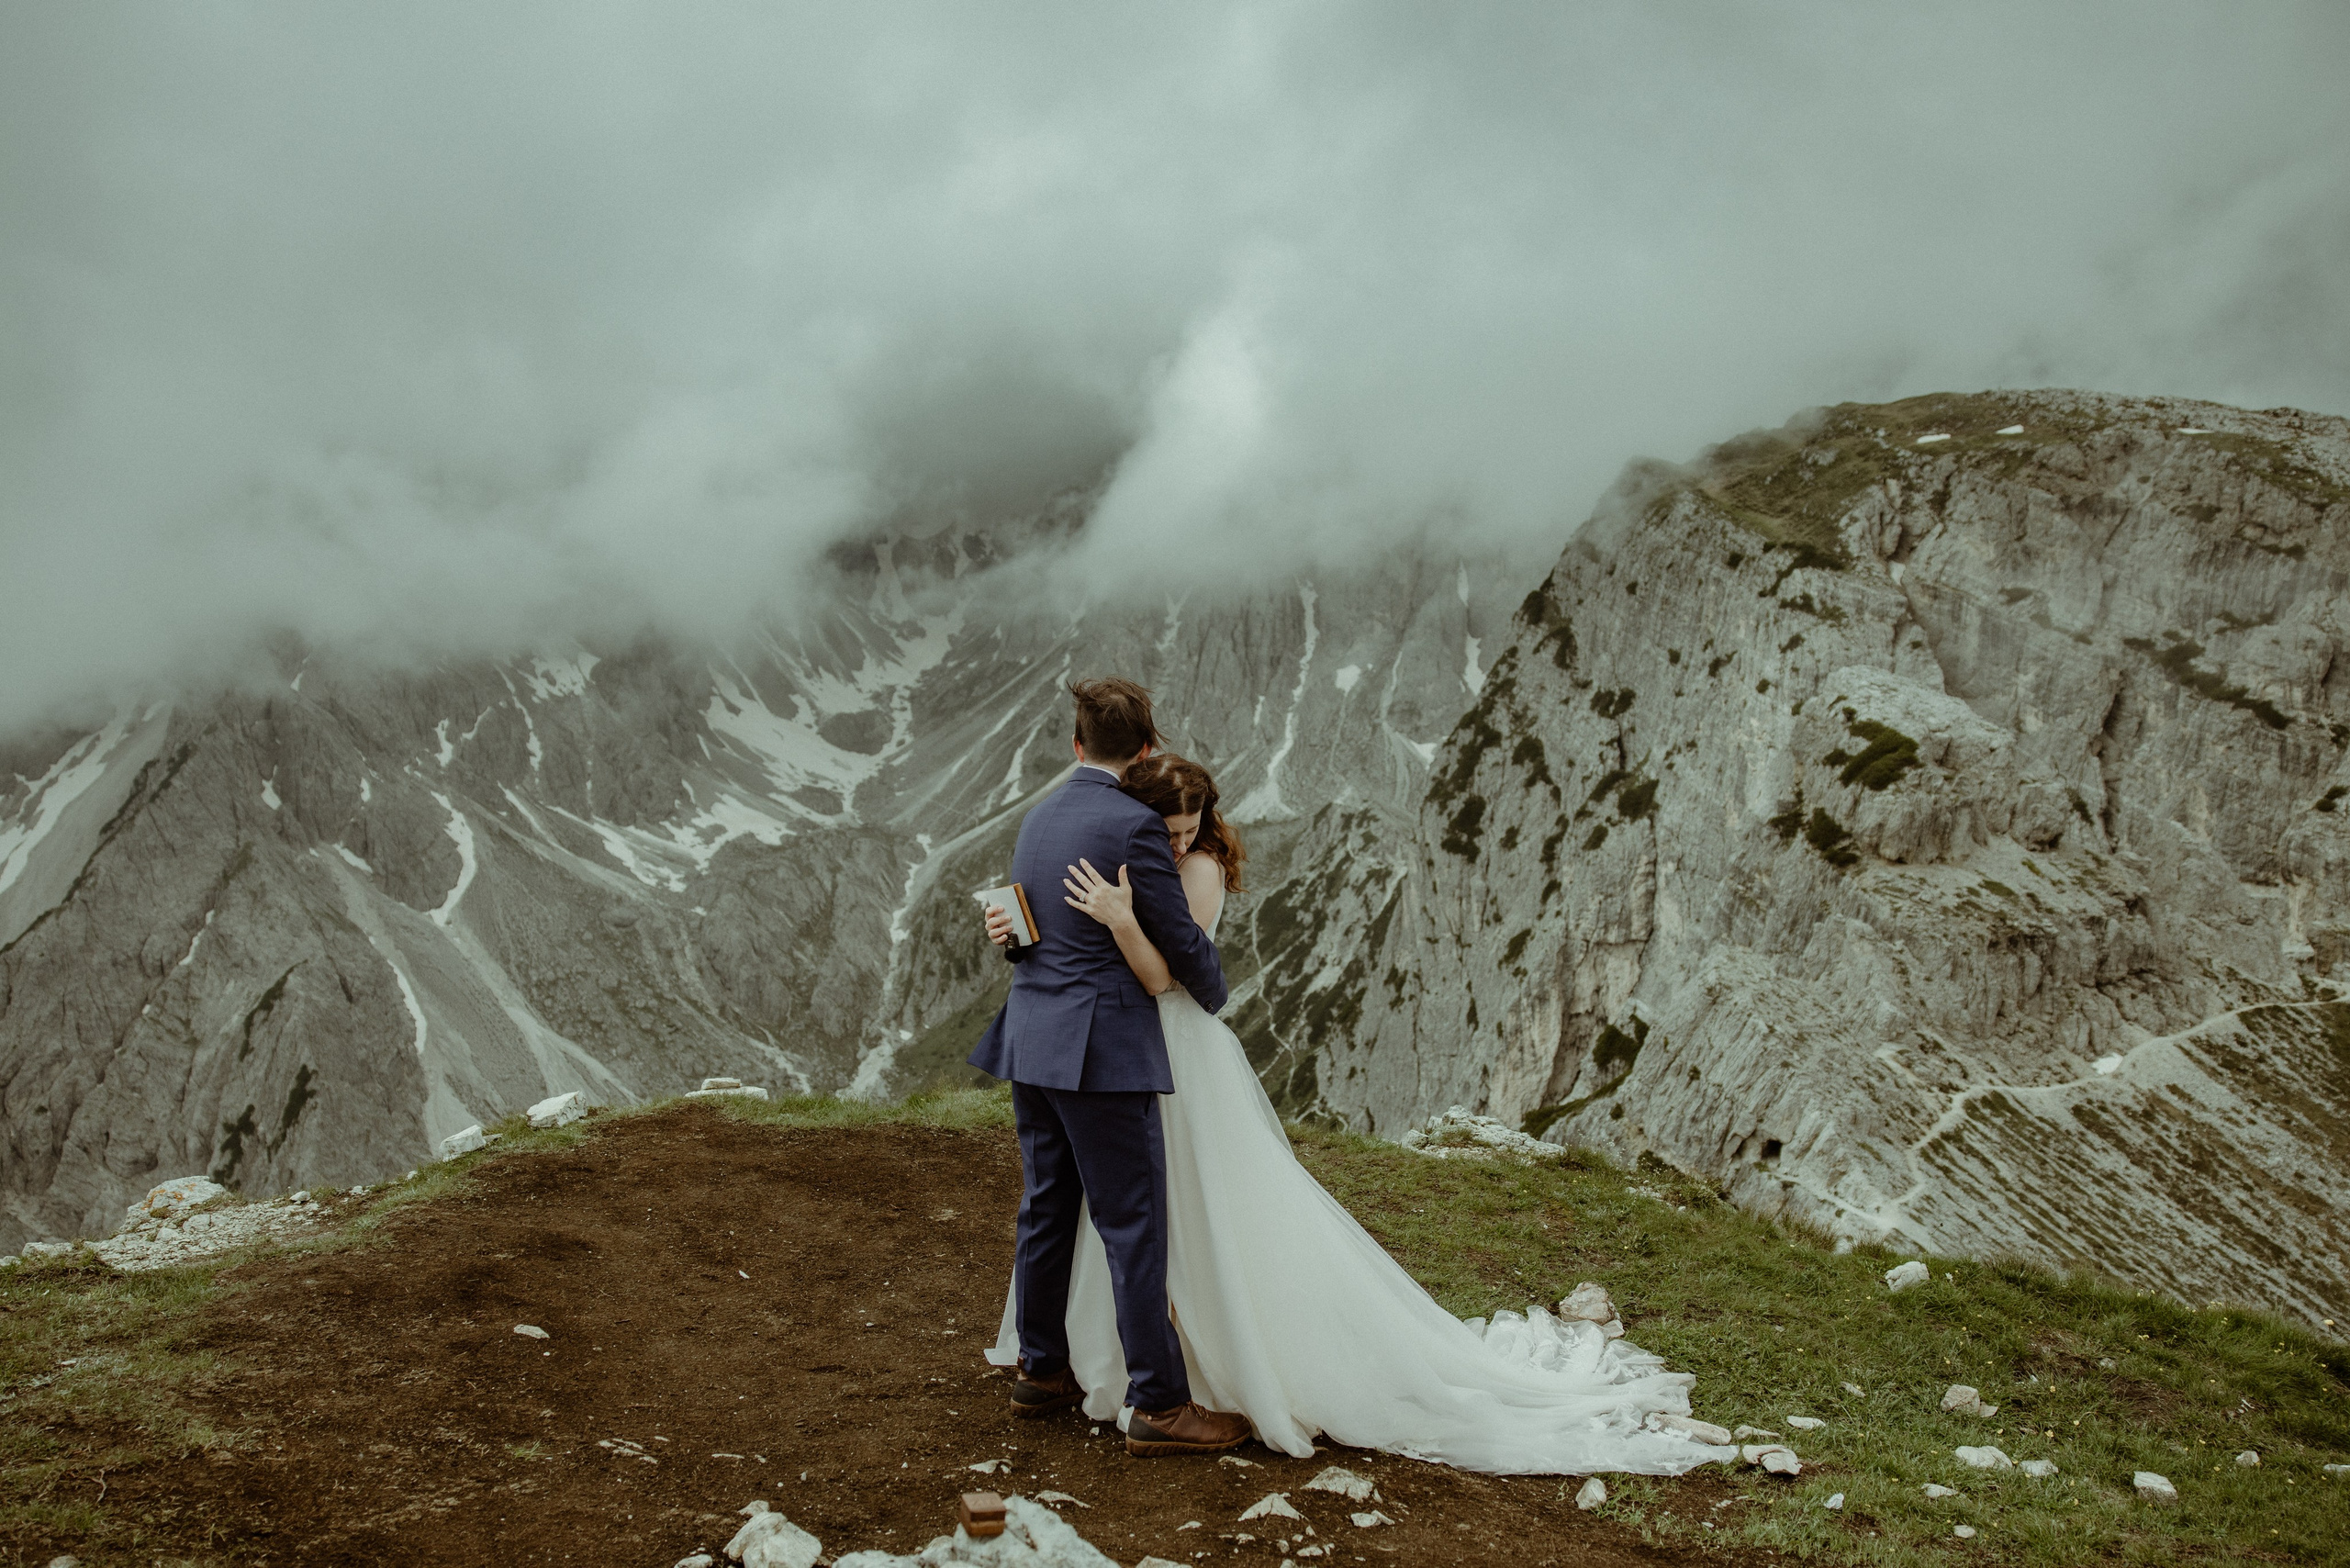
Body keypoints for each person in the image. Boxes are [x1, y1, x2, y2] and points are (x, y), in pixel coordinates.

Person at [981, 751, 1738, 1476]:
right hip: (1124, 1056)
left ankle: (1203, 1365)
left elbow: (1170, 979)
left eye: (1189, 828)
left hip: (1173, 1052)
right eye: (1168, 830)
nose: (1179, 842)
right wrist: (1034, 930)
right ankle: (1129, 1366)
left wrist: (1123, 919)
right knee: (1136, 1216)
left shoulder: (1199, 870)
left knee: (1191, 1215)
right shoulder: (1128, 851)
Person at [965, 678, 1252, 1456]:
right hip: (1101, 1051)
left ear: (1077, 744)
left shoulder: (1039, 815)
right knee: (1132, 1223)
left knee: (1047, 1207)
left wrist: (1007, 936)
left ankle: (1040, 1368)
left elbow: (1031, 931)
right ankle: (1160, 1404)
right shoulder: (1136, 826)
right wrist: (1214, 990)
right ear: (1147, 748)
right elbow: (1182, 945)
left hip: (1032, 1038)